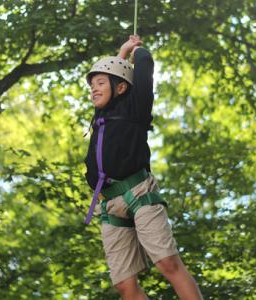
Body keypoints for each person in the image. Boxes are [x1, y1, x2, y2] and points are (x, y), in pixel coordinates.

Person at [83, 35, 203, 300]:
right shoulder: (102, 115)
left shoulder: (135, 108)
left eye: (100, 84)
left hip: (138, 192)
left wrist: (138, 51)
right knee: (125, 285)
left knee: (167, 262)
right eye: (92, 85)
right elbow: (116, 73)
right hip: (110, 204)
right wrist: (122, 52)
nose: (94, 89)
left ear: (121, 88)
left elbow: (143, 67)